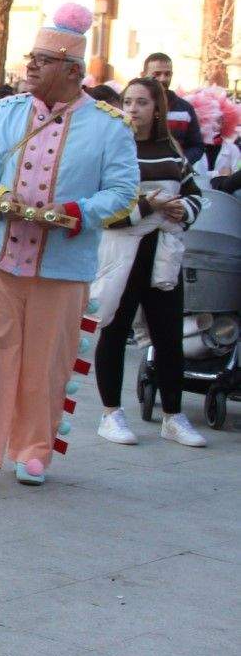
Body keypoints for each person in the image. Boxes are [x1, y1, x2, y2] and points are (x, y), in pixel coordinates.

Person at [0, 3, 139, 486]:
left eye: (43, 60)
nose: (30, 66)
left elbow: (123, 191)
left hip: (64, 265)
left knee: (48, 358)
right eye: (31, 57)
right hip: (1, 258)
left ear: (72, 72)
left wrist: (74, 214)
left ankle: (33, 451)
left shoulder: (110, 126)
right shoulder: (6, 113)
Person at [93, 77, 206, 448]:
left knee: (168, 335)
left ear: (156, 109)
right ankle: (111, 413)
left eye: (142, 102)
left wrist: (180, 209)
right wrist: (148, 206)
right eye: (128, 101)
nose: (133, 109)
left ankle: (173, 416)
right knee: (113, 328)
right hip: (123, 251)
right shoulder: (113, 148)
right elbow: (102, 206)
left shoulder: (171, 150)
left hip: (163, 250)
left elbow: (194, 194)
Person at [144, 53, 206, 164]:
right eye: (157, 74)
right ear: (144, 75)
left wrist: (181, 162)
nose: (163, 79)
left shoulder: (185, 109)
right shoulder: (131, 106)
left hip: (174, 175)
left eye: (167, 74)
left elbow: (197, 146)